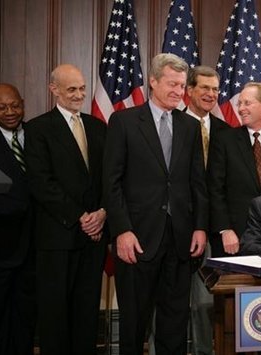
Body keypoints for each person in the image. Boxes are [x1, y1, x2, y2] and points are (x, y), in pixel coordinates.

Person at [103, 53, 208, 355]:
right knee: (134, 325)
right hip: (136, 239)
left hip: (179, 240)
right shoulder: (123, 121)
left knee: (174, 323)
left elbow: (197, 182)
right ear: (152, 81)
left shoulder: (189, 126)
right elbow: (111, 182)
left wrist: (200, 227)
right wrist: (121, 230)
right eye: (172, 84)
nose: (179, 91)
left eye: (182, 85)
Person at [25, 64, 107, 354]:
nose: (79, 94)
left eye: (82, 88)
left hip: (94, 239)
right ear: (54, 90)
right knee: (55, 316)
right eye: (72, 89)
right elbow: (41, 182)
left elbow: (109, 178)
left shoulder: (98, 127)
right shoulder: (36, 129)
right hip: (57, 238)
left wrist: (102, 213)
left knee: (86, 315)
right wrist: (80, 217)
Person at [207, 82, 261, 257]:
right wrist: (225, 229)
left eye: (247, 103)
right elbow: (214, 188)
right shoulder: (224, 140)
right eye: (239, 103)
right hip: (234, 236)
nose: (240, 109)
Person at [185, 65, 228, 355]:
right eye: (205, 88)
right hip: (175, 227)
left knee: (206, 303)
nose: (211, 94)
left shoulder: (227, 132)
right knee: (168, 301)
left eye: (215, 89)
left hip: (215, 231)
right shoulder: (172, 124)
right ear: (189, 90)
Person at [0, 84, 35, 355]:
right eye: (2, 107)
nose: (11, 112)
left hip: (33, 247)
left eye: (15, 105)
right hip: (0, 248)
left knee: (26, 316)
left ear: (23, 103)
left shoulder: (36, 134)